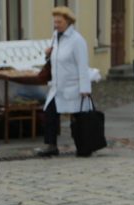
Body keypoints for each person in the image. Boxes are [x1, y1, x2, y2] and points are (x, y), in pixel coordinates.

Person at [35, 7, 90, 157]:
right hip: (57, 86)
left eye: (59, 21)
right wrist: (48, 54)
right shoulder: (55, 37)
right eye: (55, 21)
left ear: (68, 22)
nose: (56, 24)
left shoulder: (77, 40)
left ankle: (84, 145)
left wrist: (85, 88)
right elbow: (56, 60)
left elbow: (83, 65)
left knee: (79, 118)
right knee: (50, 113)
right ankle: (51, 145)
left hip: (73, 86)